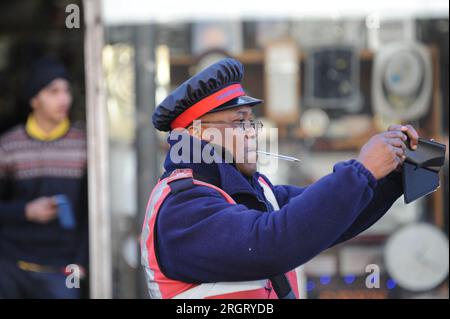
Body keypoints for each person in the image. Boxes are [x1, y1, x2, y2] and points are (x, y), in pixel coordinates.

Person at [141, 58, 419, 299]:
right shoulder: (182, 207)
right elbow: (270, 243)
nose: (252, 132)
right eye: (240, 122)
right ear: (198, 135)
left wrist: (391, 173)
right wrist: (362, 170)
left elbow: (326, 219)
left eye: (252, 122)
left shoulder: (253, 191)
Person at [0, 56, 88, 298]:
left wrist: (81, 262)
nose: (64, 99)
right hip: (10, 266)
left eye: (66, 91)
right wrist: (26, 211)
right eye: (53, 91)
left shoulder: (84, 146)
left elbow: (90, 212)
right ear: (34, 99)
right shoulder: (8, 146)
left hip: (61, 268)